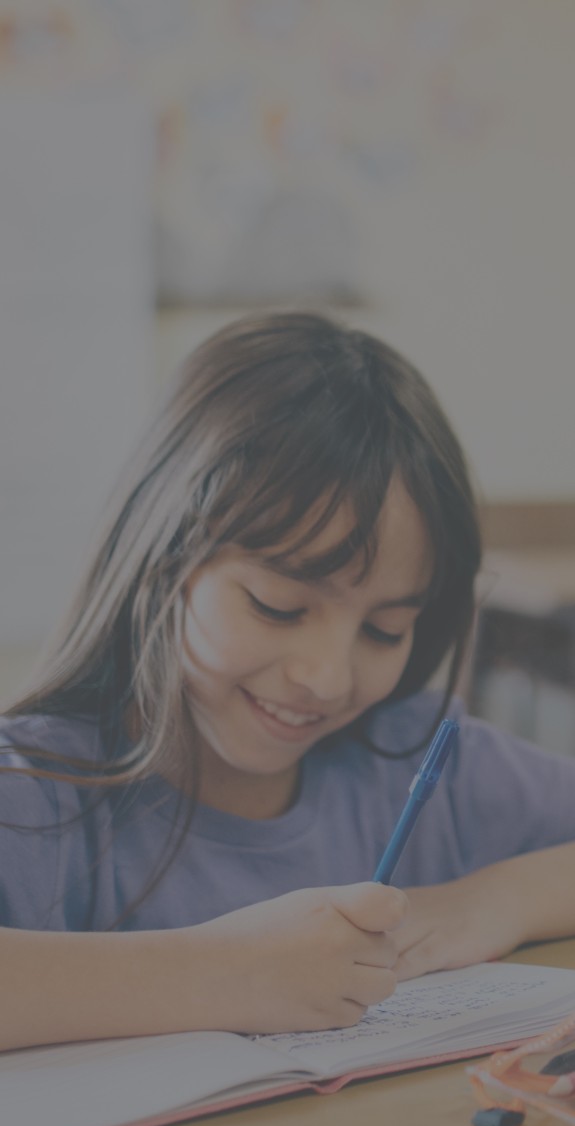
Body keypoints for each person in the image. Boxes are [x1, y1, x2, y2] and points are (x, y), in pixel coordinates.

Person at [1, 310, 575, 1054]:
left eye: (383, 630)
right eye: (277, 607)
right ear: (163, 558)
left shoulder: (425, 759)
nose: (325, 678)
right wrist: (218, 974)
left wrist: (494, 901)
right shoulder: (35, 794)